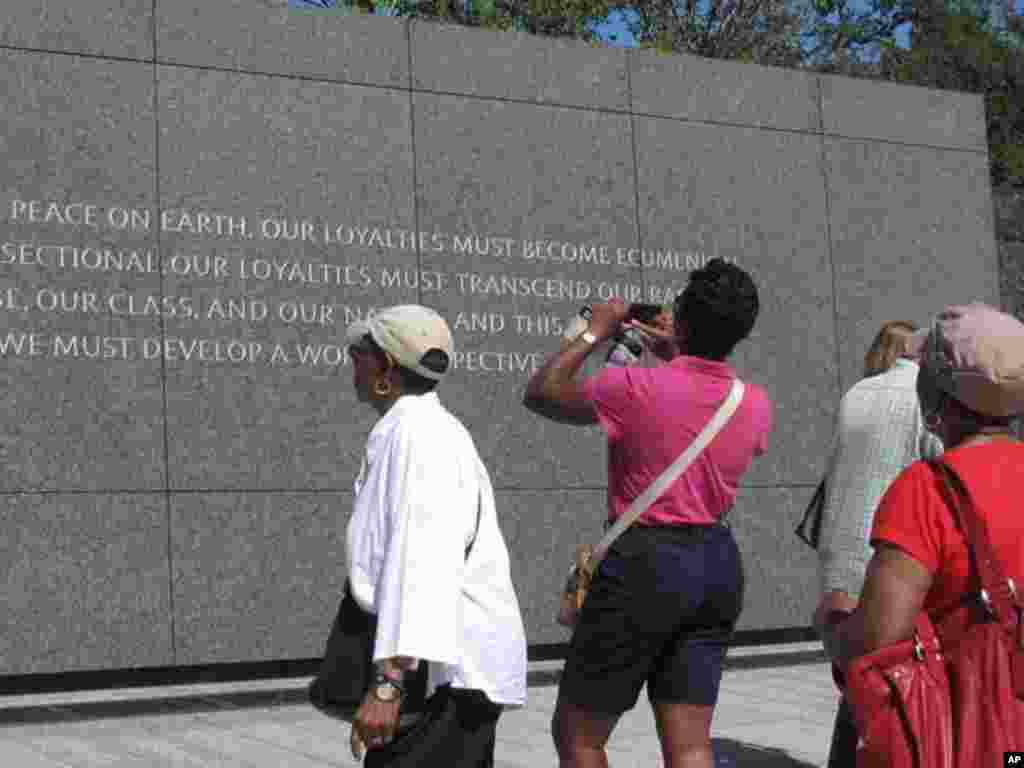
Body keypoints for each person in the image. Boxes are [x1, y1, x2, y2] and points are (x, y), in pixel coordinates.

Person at [524, 259, 774, 768]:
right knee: (690, 744)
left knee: (580, 735)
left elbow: (543, 391)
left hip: (645, 562)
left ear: (680, 318)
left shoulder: (636, 387)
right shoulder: (754, 402)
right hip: (716, 563)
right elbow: (697, 399)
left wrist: (595, 331)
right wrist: (681, 351)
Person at [819, 302, 1024, 755]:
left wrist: (833, 624)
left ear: (935, 394)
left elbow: (879, 635)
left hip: (971, 733)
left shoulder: (927, 489)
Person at [344, 304, 527, 767]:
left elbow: (419, 560)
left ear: (385, 365)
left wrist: (388, 686)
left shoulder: (418, 436)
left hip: (444, 676)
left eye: (358, 352)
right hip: (440, 669)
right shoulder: (417, 428)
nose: (352, 360)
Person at [810, 321, 943, 768]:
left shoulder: (859, 392)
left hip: (842, 550)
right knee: (891, 681)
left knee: (857, 677)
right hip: (891, 556)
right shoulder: (924, 400)